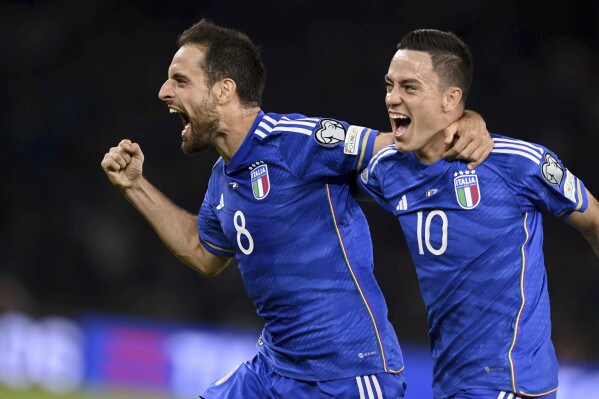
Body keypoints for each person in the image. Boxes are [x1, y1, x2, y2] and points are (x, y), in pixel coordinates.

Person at [100, 19, 492, 399]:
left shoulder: (298, 142)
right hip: (275, 370)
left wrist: (466, 123)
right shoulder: (223, 177)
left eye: (180, 80)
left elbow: (396, 144)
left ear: (224, 90)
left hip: (346, 376)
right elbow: (204, 252)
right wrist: (134, 186)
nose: (164, 91)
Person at [359, 28, 599, 399]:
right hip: (452, 383)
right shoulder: (388, 171)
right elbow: (331, 181)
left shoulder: (517, 164)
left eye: (409, 88)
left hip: (513, 384)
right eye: (390, 85)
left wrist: (471, 119)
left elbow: (594, 220)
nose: (392, 98)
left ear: (450, 98)